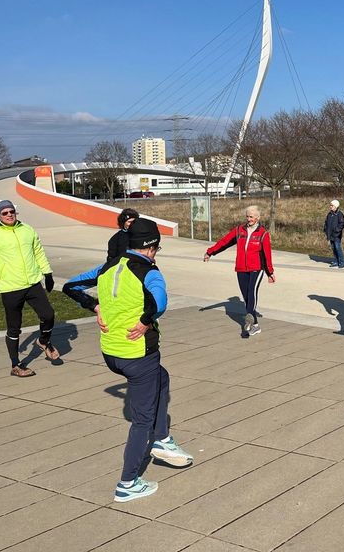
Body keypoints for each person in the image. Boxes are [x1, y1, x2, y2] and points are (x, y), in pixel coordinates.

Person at [62, 218, 193, 503]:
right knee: (141, 421)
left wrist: (93, 305)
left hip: (111, 353)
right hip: (138, 354)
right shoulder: (149, 272)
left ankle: (162, 439)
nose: (156, 252)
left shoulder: (108, 267)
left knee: (163, 378)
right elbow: (159, 303)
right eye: (157, 247)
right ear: (150, 247)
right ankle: (128, 483)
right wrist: (147, 321)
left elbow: (70, 286)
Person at [0, 200, 59, 377]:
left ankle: (43, 341)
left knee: (49, 315)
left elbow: (38, 252)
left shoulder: (27, 230)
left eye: (11, 211)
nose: (9, 215)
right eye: (4, 213)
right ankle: (16, 364)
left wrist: (48, 273)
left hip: (32, 284)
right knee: (14, 327)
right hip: (10, 287)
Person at [203, 204, 275, 337]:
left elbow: (267, 255)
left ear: (258, 218)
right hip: (241, 268)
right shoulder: (239, 230)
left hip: (256, 268)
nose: (249, 219)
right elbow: (224, 242)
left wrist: (270, 272)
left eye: (251, 217)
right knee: (246, 297)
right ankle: (255, 325)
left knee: (251, 291)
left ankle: (248, 318)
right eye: (247, 216)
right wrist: (210, 252)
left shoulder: (263, 234)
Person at [323, 199, 344, 268]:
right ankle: (336, 261)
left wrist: (337, 230)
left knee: (338, 248)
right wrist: (325, 230)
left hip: (336, 235)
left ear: (336, 206)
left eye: (332, 205)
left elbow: (342, 224)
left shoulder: (339, 214)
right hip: (330, 234)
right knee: (333, 248)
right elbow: (326, 222)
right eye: (330, 205)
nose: (330, 206)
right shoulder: (329, 214)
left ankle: (342, 262)